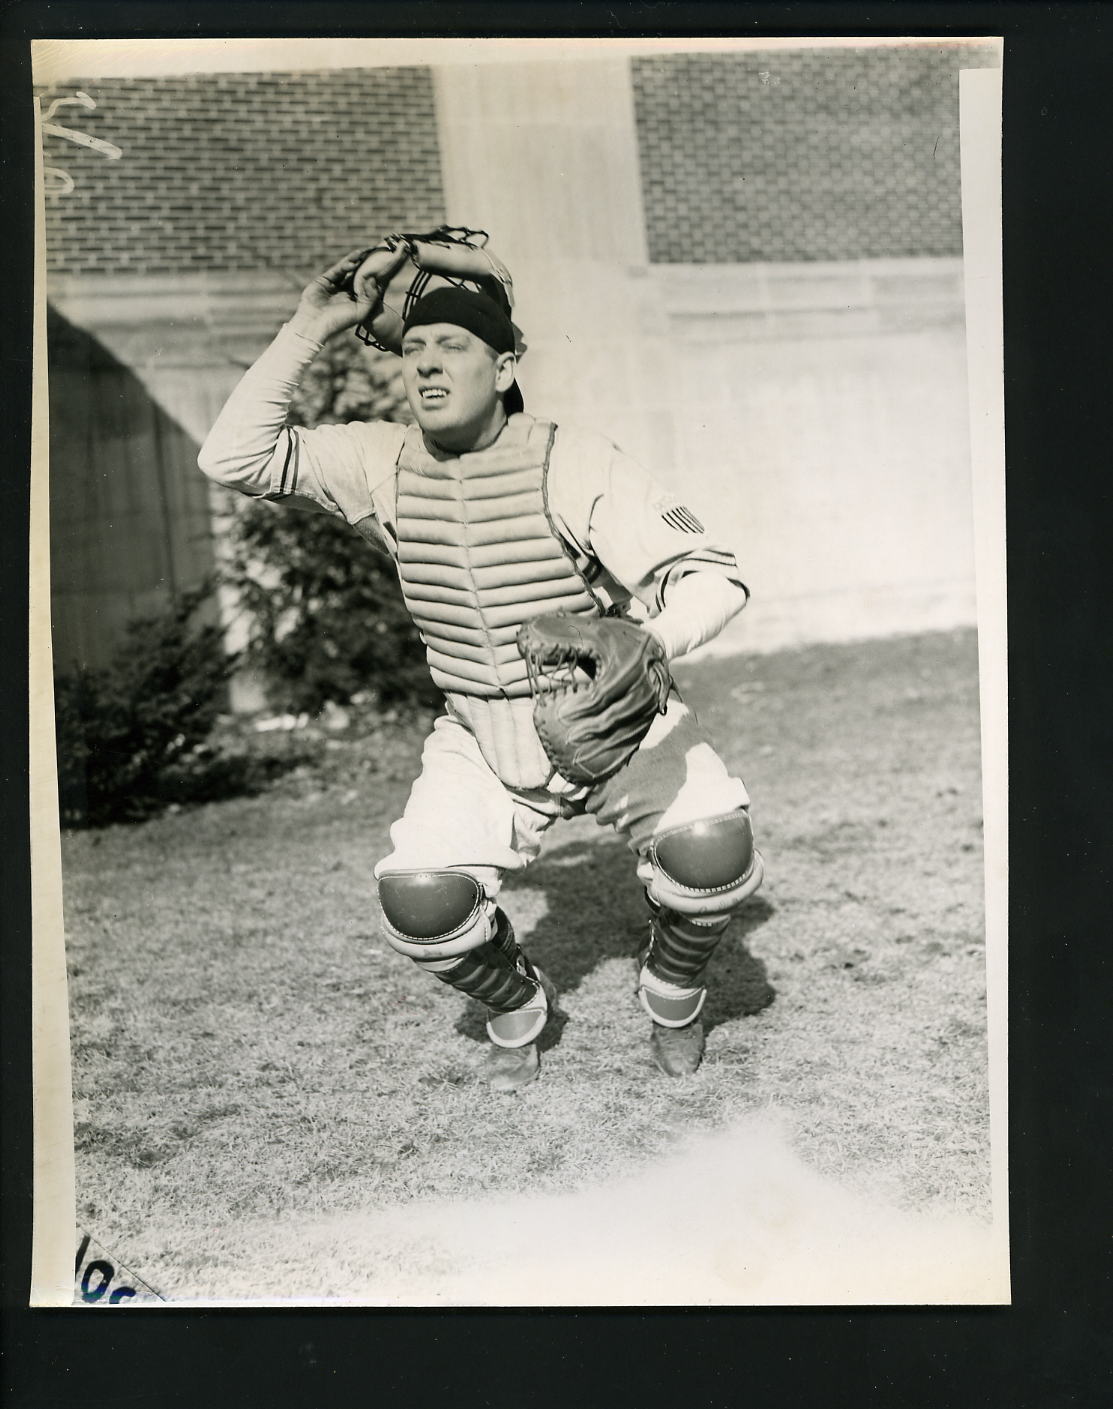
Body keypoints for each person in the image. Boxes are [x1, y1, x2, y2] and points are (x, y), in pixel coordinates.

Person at [199, 245, 764, 1091]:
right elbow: (232, 459)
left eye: (453, 346)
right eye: (415, 347)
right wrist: (313, 322)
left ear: (503, 367)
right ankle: (518, 1006)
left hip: (604, 711)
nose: (428, 362)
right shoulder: (378, 458)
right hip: (480, 723)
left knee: (711, 849)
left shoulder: (571, 457)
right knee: (421, 898)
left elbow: (710, 573)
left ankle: (673, 988)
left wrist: (649, 641)